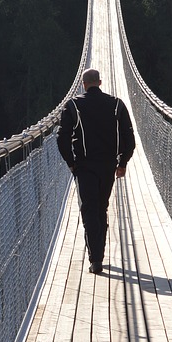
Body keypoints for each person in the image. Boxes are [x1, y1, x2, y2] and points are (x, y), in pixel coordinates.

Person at [57, 68, 135, 274]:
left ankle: (96, 259)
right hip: (108, 165)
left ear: (83, 84)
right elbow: (129, 138)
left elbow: (61, 138)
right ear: (100, 82)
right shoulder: (117, 105)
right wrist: (122, 163)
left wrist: (71, 163)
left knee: (89, 210)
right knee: (101, 208)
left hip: (84, 166)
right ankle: (99, 253)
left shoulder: (73, 106)